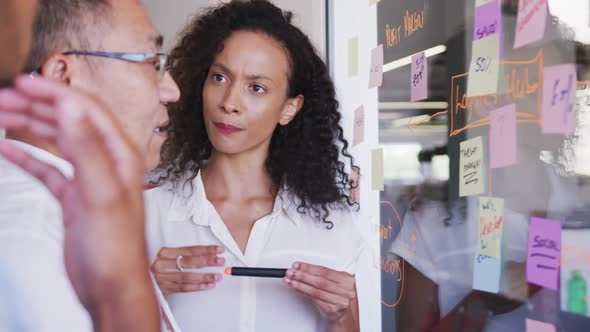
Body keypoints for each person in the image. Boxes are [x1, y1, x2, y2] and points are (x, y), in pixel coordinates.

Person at [146, 1, 365, 331]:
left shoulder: (332, 223)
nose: (229, 103)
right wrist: (146, 290)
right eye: (219, 77)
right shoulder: (145, 215)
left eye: (256, 88)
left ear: (289, 108)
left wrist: (340, 316)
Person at [0, 0, 180, 330]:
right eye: (152, 62)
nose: (172, 90)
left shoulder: (87, 216)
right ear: (62, 75)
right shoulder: (29, 240)